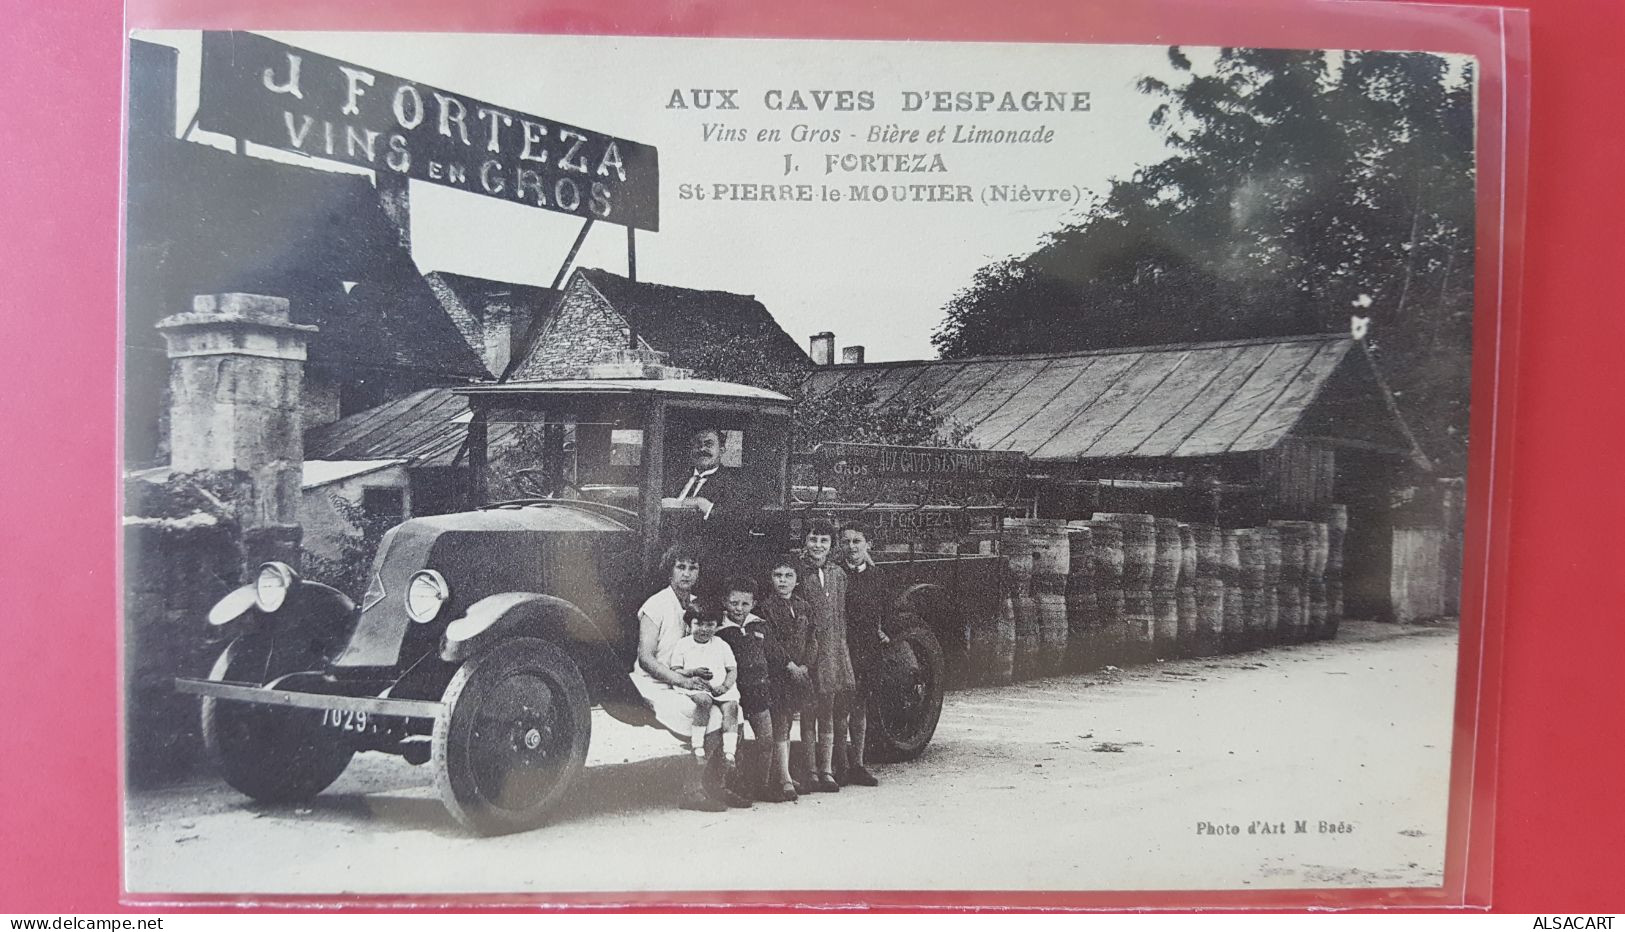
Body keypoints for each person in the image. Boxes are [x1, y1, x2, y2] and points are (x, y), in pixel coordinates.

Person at [629, 543, 748, 811]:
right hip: (657, 684)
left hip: (692, 682)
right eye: (680, 567)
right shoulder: (656, 605)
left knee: (735, 714)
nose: (686, 573)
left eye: (692, 568)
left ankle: (719, 785)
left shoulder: (697, 605)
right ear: (669, 570)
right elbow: (646, 657)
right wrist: (681, 680)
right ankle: (692, 790)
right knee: (712, 717)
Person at [661, 427, 759, 595]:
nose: (702, 449)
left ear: (722, 450)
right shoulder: (674, 477)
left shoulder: (735, 484)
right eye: (697, 445)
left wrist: (704, 505)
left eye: (708, 444)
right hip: (667, 562)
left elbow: (739, 521)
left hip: (708, 568)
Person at [798, 520, 855, 793]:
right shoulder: (798, 572)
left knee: (828, 710)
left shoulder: (838, 574)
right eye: (813, 539)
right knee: (808, 710)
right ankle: (810, 770)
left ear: (831, 546)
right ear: (805, 541)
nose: (818, 546)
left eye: (824, 541)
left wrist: (841, 651)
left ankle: (827, 769)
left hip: (832, 649)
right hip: (810, 649)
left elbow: (841, 614)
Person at [715, 576, 780, 801]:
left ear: (753, 603)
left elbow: (772, 655)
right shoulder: (719, 630)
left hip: (759, 691)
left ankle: (763, 784)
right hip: (735, 694)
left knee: (766, 740)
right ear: (725, 602)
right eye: (734, 603)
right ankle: (737, 787)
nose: (739, 609)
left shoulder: (759, 625)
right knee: (736, 743)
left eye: (745, 604)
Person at [666, 601, 744, 786]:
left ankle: (729, 752)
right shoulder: (683, 645)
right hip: (695, 685)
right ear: (689, 624)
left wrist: (725, 687)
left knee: (732, 707)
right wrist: (693, 672)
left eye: (710, 625)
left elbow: (732, 669)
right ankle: (698, 745)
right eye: (698, 624)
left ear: (717, 626)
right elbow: (676, 670)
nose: (704, 629)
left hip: (719, 686)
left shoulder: (721, 645)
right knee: (704, 702)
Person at [759, 557, 815, 802]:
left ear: (797, 579)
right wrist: (789, 665)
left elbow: (813, 638)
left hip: (798, 673)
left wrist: (805, 665)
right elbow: (769, 642)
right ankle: (782, 778)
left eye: (788, 575)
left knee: (790, 722)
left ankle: (786, 772)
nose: (782, 581)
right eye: (778, 575)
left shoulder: (804, 606)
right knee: (779, 722)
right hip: (778, 674)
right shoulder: (765, 608)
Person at [837, 522, 887, 787]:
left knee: (859, 707)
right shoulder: (835, 575)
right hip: (843, 647)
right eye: (846, 542)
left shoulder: (876, 575)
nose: (852, 547)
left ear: (867, 545)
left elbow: (882, 609)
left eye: (857, 541)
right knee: (839, 707)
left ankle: (857, 764)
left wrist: (882, 631)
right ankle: (839, 765)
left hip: (866, 649)